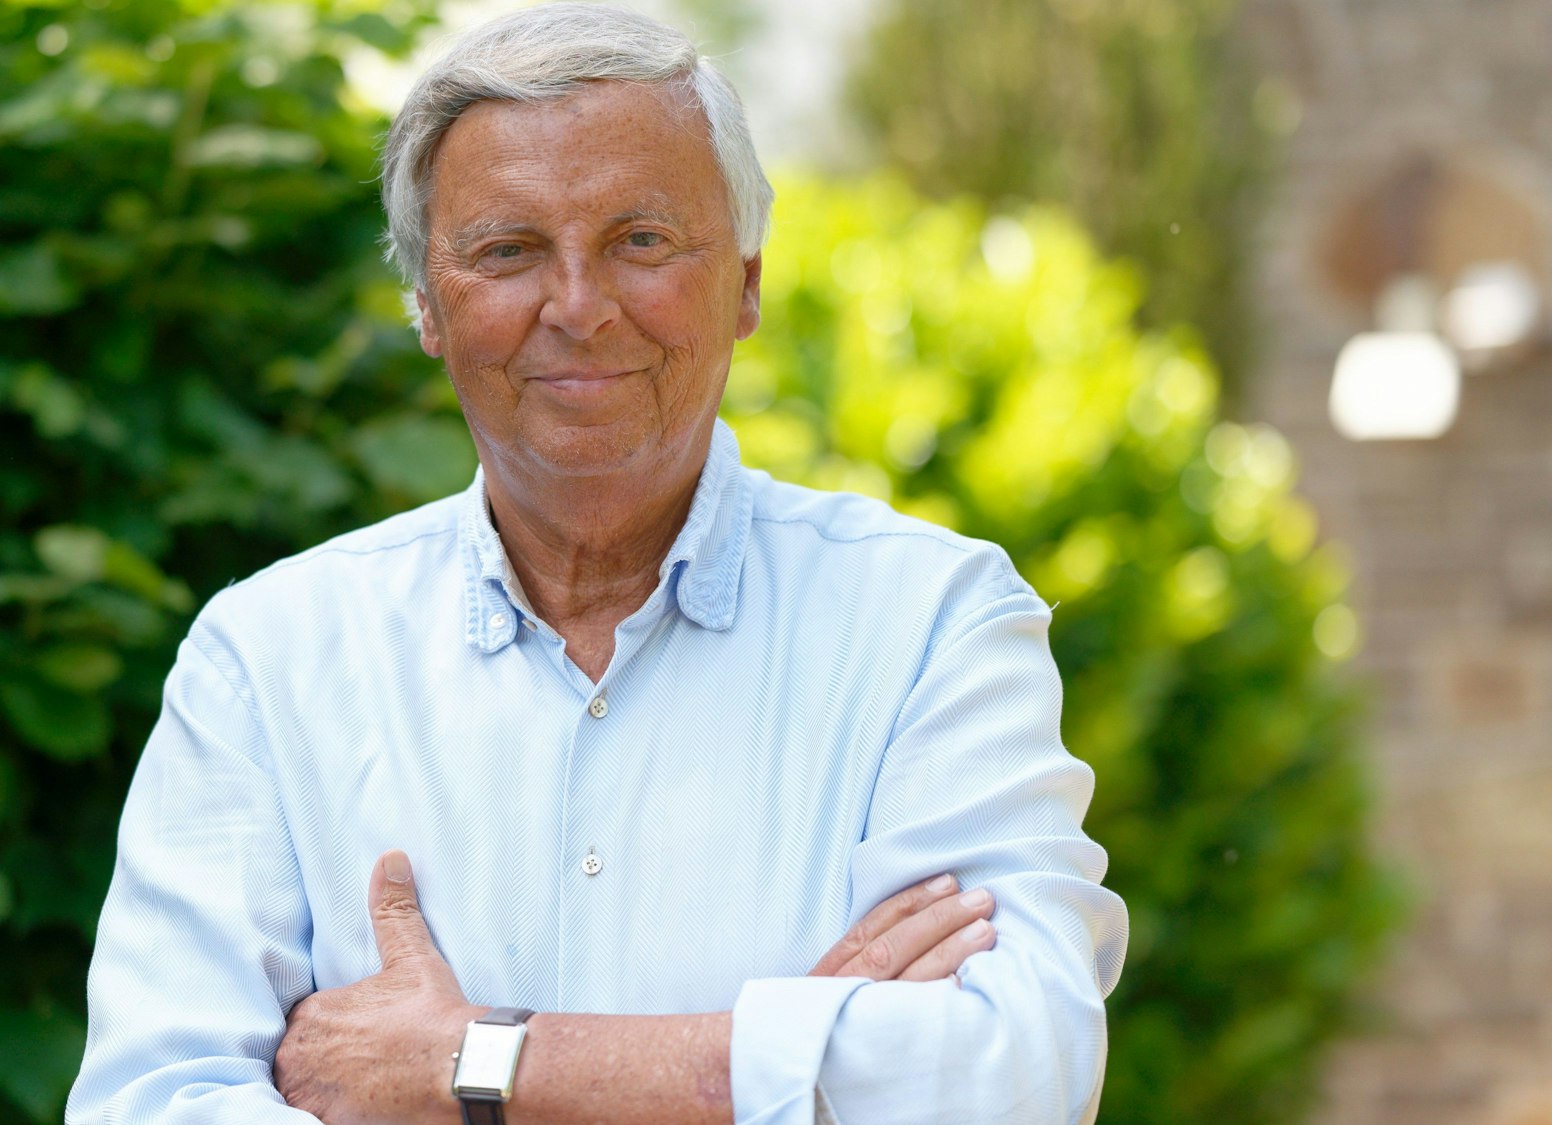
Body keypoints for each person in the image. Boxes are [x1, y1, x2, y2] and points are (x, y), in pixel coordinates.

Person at [65, 5, 1128, 1123]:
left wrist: (462, 1067)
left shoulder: (929, 626)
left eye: (641, 240)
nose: (577, 308)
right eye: (507, 251)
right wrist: (782, 1066)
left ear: (747, 286)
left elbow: (1014, 1075)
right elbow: (152, 1104)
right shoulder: (267, 662)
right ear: (427, 305)